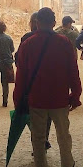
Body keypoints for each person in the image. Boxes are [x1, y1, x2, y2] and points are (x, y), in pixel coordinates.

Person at [14, 7, 81, 167]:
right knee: (63, 134)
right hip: (59, 99)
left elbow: (22, 76)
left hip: (37, 100)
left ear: (37, 23)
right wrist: (75, 94)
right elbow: (72, 70)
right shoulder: (64, 43)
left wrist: (18, 99)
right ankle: (67, 165)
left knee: (38, 139)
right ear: (53, 22)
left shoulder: (27, 45)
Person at [15, 12, 52, 152]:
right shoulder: (55, 38)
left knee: (33, 117)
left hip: (31, 85)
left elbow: (18, 60)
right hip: (48, 84)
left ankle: (37, 144)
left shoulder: (26, 38)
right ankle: (44, 139)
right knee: (47, 117)